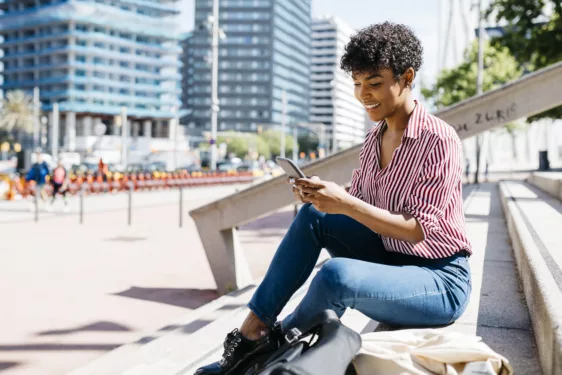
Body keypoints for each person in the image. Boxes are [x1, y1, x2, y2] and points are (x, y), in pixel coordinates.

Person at [195, 22, 472, 375]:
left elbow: (418, 230)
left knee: (335, 276)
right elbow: (356, 207)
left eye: (374, 83)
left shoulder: (439, 140)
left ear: (406, 77)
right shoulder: (375, 138)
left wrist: (345, 203)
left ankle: (275, 351)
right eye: (357, 84)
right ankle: (253, 334)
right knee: (314, 217)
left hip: (438, 281)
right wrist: (327, 198)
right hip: (391, 259)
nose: (363, 95)